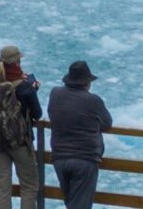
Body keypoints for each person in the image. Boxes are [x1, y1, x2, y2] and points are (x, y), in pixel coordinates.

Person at [0, 45, 47, 209]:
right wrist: (33, 91)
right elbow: (37, 114)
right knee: (29, 185)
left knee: (2, 185)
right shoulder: (25, 87)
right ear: (18, 61)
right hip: (19, 141)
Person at [47, 61, 113, 209]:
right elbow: (107, 124)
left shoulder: (55, 94)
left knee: (72, 203)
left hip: (59, 158)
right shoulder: (93, 100)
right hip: (84, 159)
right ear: (87, 83)